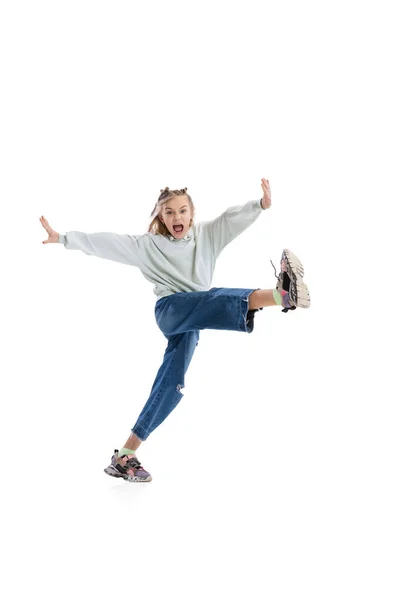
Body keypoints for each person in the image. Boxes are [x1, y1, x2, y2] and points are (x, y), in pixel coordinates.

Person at [39, 178, 310, 483]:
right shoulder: (148, 246)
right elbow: (107, 243)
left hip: (194, 320)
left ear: (191, 214)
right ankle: (281, 295)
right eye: (169, 213)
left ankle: (125, 454)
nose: (177, 218)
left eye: (182, 211)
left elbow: (230, 220)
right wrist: (63, 238)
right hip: (171, 311)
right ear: (161, 216)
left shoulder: (206, 235)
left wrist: (259, 205)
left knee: (172, 386)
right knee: (213, 297)